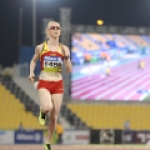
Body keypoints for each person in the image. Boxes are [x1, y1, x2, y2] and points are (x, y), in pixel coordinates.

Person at [28, 21, 72, 150]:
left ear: (60, 31)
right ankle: (42, 110)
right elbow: (33, 61)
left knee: (54, 117)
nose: (56, 30)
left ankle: (47, 142)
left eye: (58, 28)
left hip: (58, 84)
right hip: (44, 81)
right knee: (48, 106)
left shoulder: (64, 49)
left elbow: (69, 69)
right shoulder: (40, 47)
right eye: (52, 28)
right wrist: (31, 73)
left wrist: (68, 58)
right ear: (48, 31)